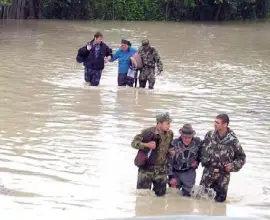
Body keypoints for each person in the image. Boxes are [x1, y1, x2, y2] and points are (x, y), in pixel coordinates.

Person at [199, 114, 246, 202]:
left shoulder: (233, 140)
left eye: (217, 122)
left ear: (225, 124)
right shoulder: (210, 135)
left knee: (219, 204)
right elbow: (201, 149)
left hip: (222, 176)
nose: (215, 124)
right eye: (215, 122)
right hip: (208, 174)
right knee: (202, 200)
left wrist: (232, 166)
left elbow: (242, 157)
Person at [131, 112, 174, 197]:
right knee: (142, 198)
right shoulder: (147, 132)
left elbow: (169, 146)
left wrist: (170, 151)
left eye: (169, 123)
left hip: (161, 170)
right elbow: (134, 143)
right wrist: (146, 145)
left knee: (161, 199)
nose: (169, 125)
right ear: (159, 123)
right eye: (167, 123)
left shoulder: (170, 134)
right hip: (146, 170)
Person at [167, 124, 202, 196]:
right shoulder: (174, 143)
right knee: (173, 197)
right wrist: (171, 176)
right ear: (181, 136)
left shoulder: (198, 142)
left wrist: (198, 161)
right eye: (185, 137)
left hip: (189, 173)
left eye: (189, 137)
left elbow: (203, 153)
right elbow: (168, 162)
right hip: (175, 173)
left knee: (188, 197)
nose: (187, 139)